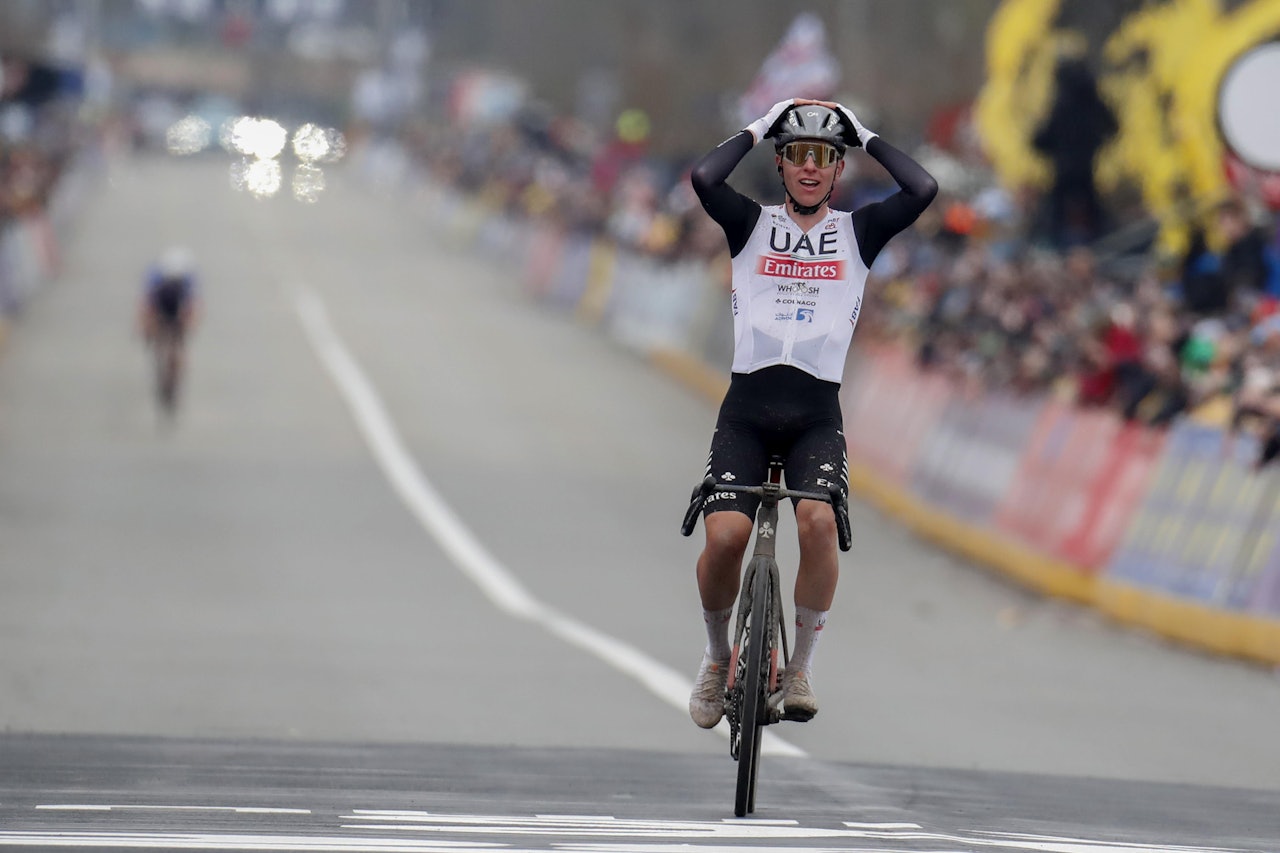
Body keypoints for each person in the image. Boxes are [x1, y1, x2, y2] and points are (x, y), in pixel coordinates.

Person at [686, 98, 937, 727]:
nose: (809, 166)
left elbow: (923, 189)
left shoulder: (858, 233)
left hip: (815, 417)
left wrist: (864, 131)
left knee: (819, 524)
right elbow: (704, 178)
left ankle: (799, 667)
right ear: (781, 161)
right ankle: (717, 657)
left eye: (823, 156)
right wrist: (763, 122)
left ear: (837, 169)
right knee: (726, 538)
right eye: (797, 153)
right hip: (746, 412)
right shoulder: (750, 224)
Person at [138, 246, 199, 413]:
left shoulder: (189, 279)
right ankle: (163, 367)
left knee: (179, 343)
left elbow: (194, 306)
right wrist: (146, 328)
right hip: (161, 306)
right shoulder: (154, 276)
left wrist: (189, 324)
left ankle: (175, 371)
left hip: (177, 308)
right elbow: (145, 305)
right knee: (157, 334)